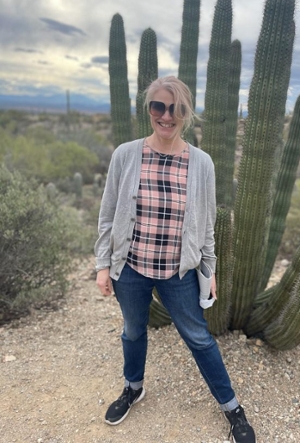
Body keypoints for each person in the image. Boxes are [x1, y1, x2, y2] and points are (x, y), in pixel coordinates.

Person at [95, 75, 256, 443]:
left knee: (199, 339)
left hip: (178, 272)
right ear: (148, 110)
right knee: (133, 331)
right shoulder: (126, 154)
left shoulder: (201, 163)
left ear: (186, 114)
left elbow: (208, 223)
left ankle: (232, 408)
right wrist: (103, 265)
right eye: (158, 107)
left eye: (175, 109)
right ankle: (133, 387)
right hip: (131, 268)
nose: (166, 116)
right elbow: (107, 215)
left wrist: (209, 267)